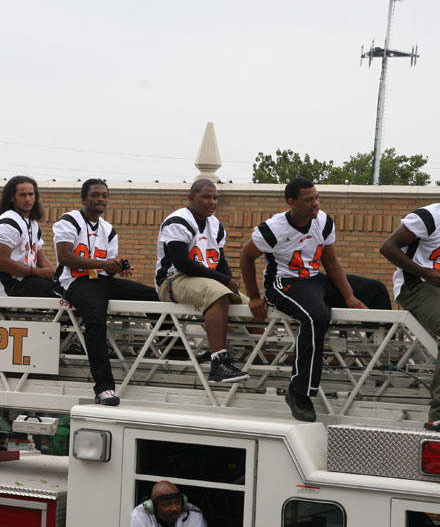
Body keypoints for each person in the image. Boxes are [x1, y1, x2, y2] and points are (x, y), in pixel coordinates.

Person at [239, 177, 391, 422]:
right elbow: (246, 258)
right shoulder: (273, 228)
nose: (315, 204)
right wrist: (255, 296)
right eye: (309, 200)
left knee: (375, 290)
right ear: (292, 202)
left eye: (317, 197)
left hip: (314, 279)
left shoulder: (322, 221)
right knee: (317, 315)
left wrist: (349, 295)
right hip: (284, 282)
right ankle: (299, 391)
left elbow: (330, 261)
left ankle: (380, 358)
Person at [52, 178, 158, 406]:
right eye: (95, 195)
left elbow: (106, 269)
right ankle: (104, 387)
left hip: (100, 280)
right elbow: (65, 257)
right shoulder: (68, 220)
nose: (101, 199)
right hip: (75, 281)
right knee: (96, 320)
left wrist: (118, 267)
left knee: (153, 296)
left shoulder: (109, 229)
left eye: (104, 195)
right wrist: (103, 265)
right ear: (84, 198)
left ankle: (168, 351)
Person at [155, 178, 249, 383]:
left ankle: (255, 358)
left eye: (215, 198)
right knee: (219, 295)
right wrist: (224, 281)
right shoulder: (178, 220)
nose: (212, 202)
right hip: (172, 280)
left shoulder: (215, 225)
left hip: (204, 280)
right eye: (206, 197)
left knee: (250, 306)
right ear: (191, 198)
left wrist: (228, 280)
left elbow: (220, 262)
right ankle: (219, 363)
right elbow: (182, 263)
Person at [380, 203, 440, 431]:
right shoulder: (429, 217)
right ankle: (438, 414)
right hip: (417, 284)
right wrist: (426, 273)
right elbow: (387, 248)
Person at [0, 176, 55, 297]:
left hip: (26, 281)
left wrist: (59, 276)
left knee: (65, 287)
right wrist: (38, 272)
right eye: (22, 195)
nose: (27, 199)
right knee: (55, 289)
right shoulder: (8, 222)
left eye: (31, 194)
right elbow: (3, 263)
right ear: (12, 197)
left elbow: (41, 261)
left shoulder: (33, 224)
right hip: (5, 285)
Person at [130, 481, 206, 527]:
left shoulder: (193, 514)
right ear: (153, 507)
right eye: (166, 504)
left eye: (178, 502)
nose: (174, 508)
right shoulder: (140, 515)